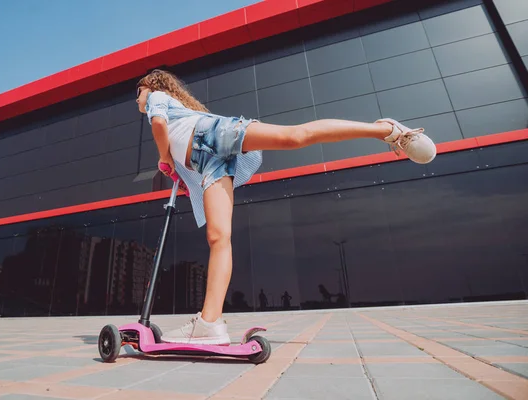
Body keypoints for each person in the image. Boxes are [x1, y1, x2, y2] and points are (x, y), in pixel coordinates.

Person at [135, 69, 436, 345]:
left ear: (152, 86)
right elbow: (180, 147)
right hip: (208, 160)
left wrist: (164, 158)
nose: (138, 97)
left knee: (295, 136)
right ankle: (209, 323)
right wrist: (179, 169)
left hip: (212, 135)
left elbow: (160, 125)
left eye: (139, 91)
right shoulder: (176, 112)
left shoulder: (157, 98)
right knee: (218, 237)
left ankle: (383, 129)